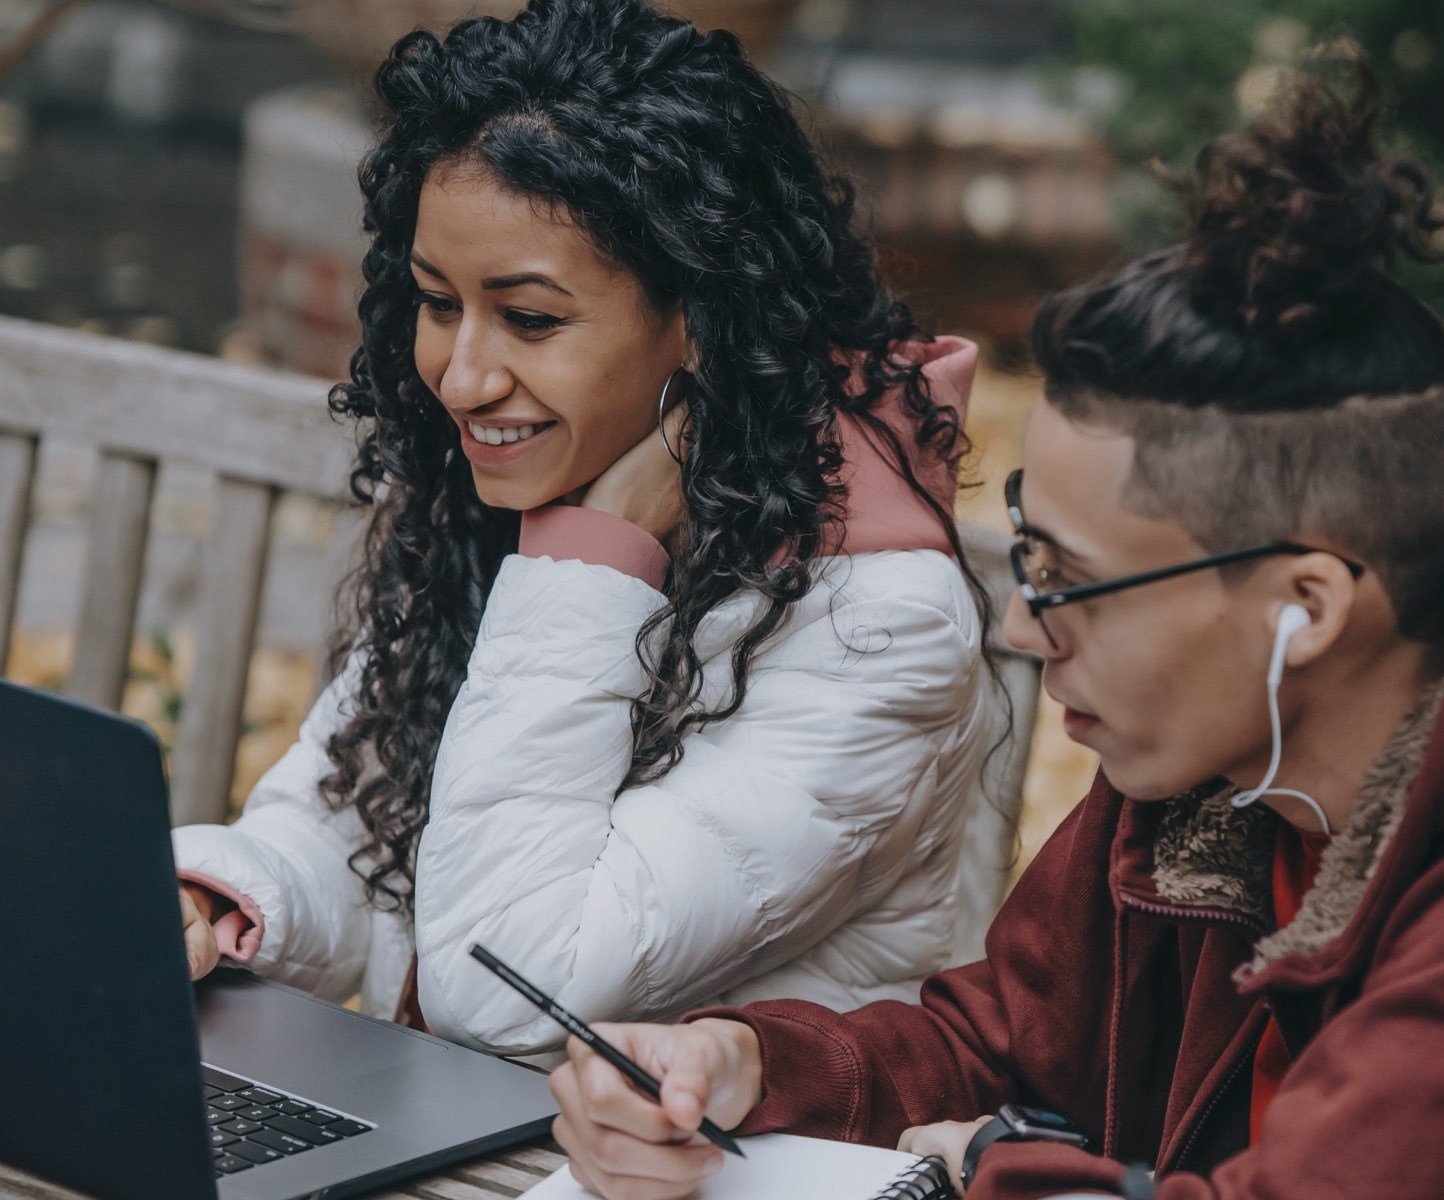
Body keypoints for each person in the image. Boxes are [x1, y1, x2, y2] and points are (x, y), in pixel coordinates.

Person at [547, 43, 1444, 1199]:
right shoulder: (1202, 794)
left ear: (1304, 606)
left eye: (1070, 577)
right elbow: (989, 1045)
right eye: (1025, 554)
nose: (1024, 626)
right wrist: (741, 1061)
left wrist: (992, 1170)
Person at [170, 0, 997, 1056]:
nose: (461, 377)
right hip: (475, 1133)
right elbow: (353, 839)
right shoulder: (521, 488)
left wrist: (591, 563)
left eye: (530, 319)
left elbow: (510, 987)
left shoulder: (877, 621)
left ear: (702, 319)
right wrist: (216, 898)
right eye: (436, 301)